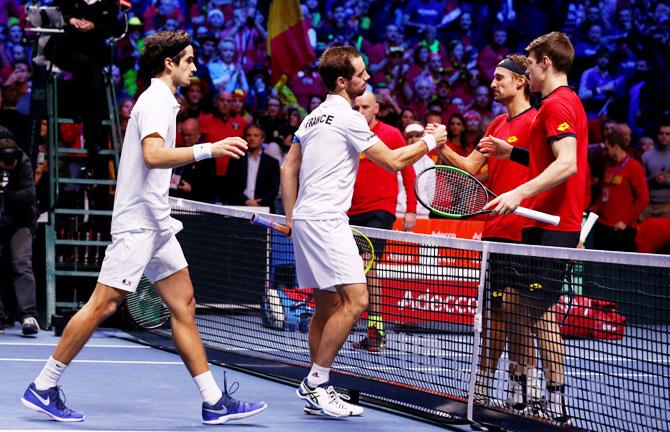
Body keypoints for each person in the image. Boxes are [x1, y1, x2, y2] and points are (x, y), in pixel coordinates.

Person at [21, 30, 267, 424]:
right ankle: (43, 385)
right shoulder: (155, 101)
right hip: (138, 225)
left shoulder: (164, 102)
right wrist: (210, 149)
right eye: (188, 60)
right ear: (169, 63)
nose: (194, 66)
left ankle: (213, 401)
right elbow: (153, 155)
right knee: (104, 304)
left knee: (184, 303)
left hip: (157, 224)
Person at [281, 45, 447, 417]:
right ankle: (317, 382)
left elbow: (287, 168)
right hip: (327, 219)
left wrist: (292, 217)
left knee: (325, 307)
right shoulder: (348, 116)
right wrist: (431, 142)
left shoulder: (311, 118)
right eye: (361, 73)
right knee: (357, 301)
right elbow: (392, 161)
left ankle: (318, 389)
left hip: (307, 218)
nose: (368, 77)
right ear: (343, 82)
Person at [479, 32, 589, 424]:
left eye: (529, 63)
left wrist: (517, 192)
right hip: (538, 222)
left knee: (536, 313)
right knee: (517, 309)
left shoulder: (559, 102)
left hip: (554, 224)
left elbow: (568, 163)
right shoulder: (555, 105)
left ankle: (555, 400)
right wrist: (516, 153)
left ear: (545, 62)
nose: (526, 69)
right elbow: (548, 159)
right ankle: (521, 392)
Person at [438, 54, 541, 410]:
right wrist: (439, 146)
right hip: (494, 231)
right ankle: (482, 387)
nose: (493, 84)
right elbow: (470, 167)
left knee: (518, 315)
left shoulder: (536, 121)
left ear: (520, 81)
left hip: (525, 231)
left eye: (500, 78)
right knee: (494, 313)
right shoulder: (497, 122)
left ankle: (522, 387)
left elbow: (551, 166)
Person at [348, 91, 418, 352]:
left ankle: (376, 329)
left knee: (368, 265)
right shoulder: (349, 133)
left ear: (377, 108)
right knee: (354, 269)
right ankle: (365, 326)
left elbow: (408, 171)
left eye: (365, 106)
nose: (361, 111)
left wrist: (410, 209)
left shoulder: (391, 134)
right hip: (350, 212)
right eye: (356, 107)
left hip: (380, 210)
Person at [0, 126, 39, 335]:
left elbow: (29, 195)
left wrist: (6, 196)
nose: (9, 167)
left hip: (20, 219)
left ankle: (28, 316)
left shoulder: (22, 160)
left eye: (11, 163)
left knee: (21, 263)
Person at [591, 129, 649, 251]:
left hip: (620, 228)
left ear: (616, 147)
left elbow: (643, 198)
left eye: (607, 148)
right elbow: (604, 190)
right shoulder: (608, 164)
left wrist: (626, 222)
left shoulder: (634, 167)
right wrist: (596, 208)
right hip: (603, 224)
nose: (605, 151)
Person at [224, 124, 280, 212]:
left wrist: (259, 202)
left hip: (263, 208)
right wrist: (246, 201)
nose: (252, 138)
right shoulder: (236, 160)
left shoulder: (272, 163)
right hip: (239, 206)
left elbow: (274, 189)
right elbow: (229, 186)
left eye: (256, 136)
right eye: (249, 135)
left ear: (263, 138)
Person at [640, 121, 670, 219]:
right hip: (648, 205)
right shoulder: (646, 156)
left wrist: (666, 181)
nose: (664, 136)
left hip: (667, 205)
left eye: (667, 134)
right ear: (657, 135)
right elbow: (640, 182)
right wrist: (653, 179)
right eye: (661, 133)